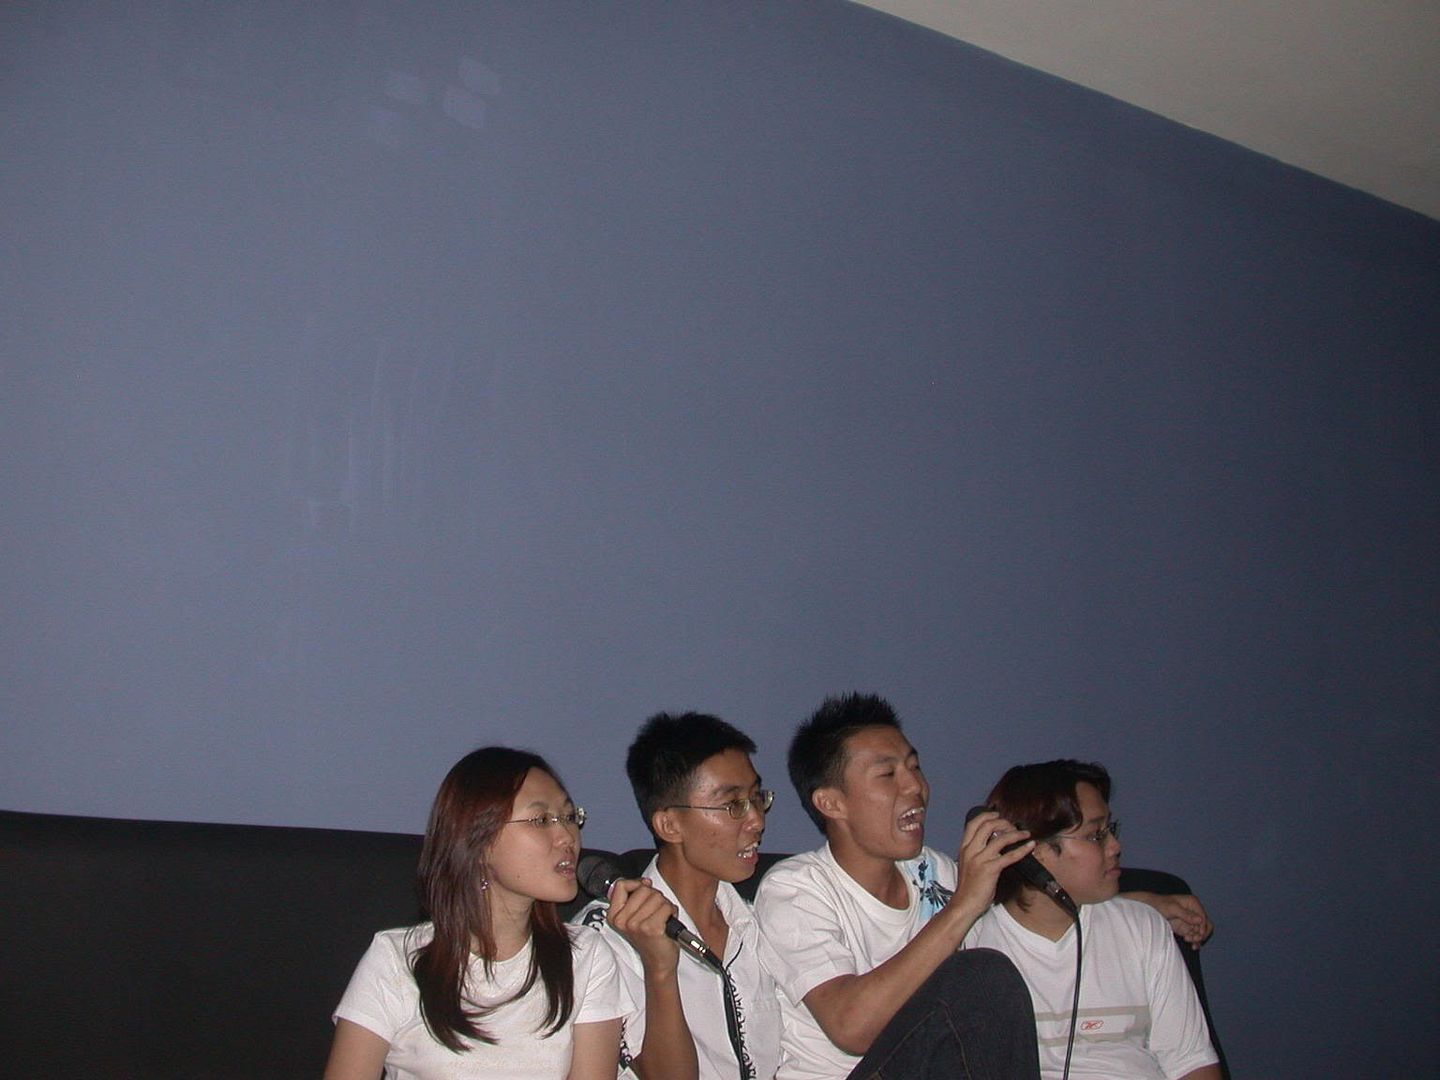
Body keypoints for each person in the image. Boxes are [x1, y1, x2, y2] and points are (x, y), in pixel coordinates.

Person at [753, 693, 1042, 1079]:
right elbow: (851, 1028)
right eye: (888, 775)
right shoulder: (795, 889)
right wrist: (962, 907)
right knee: (983, 975)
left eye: (915, 767)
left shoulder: (936, 871)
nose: (915, 786)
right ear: (831, 803)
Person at [323, 746, 631, 1080]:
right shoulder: (397, 960)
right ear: (479, 842)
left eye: (570, 817)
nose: (567, 836)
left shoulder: (586, 956)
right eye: (542, 820)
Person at [963, 760, 1221, 1080]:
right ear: (1033, 852)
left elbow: (1191, 1062)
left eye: (1110, 830)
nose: (1115, 846)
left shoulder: (1142, 926)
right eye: (1095, 835)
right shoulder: (974, 942)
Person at [574, 712, 783, 1080]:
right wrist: (660, 968)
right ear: (669, 825)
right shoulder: (606, 935)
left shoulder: (759, 919)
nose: (757, 821)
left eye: (756, 798)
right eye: (733, 805)